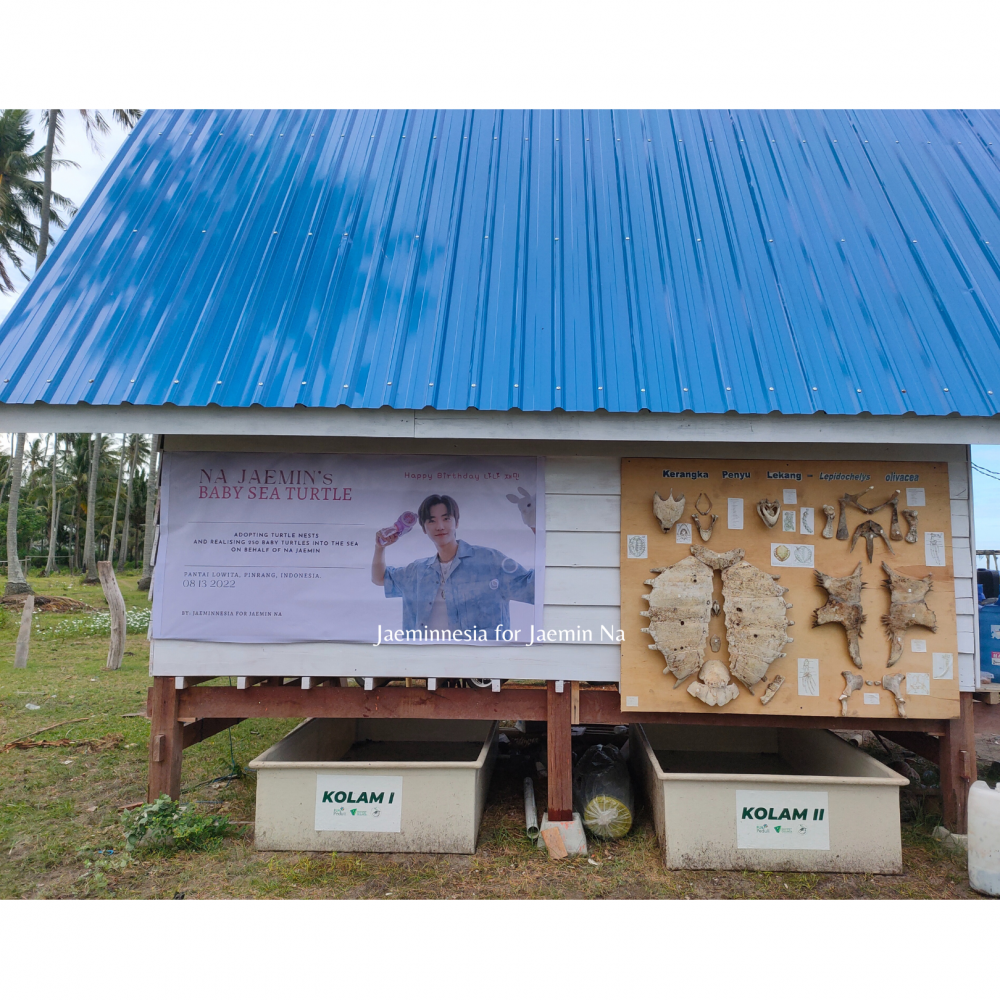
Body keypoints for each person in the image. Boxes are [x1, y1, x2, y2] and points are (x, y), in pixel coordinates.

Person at [371, 493, 534, 634]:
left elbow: (532, 587)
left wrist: (536, 528)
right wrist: (380, 548)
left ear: (456, 523)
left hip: (478, 663)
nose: (440, 526)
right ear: (423, 528)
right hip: (426, 663)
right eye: (432, 520)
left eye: (446, 518)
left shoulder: (489, 560)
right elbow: (380, 579)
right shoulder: (418, 571)